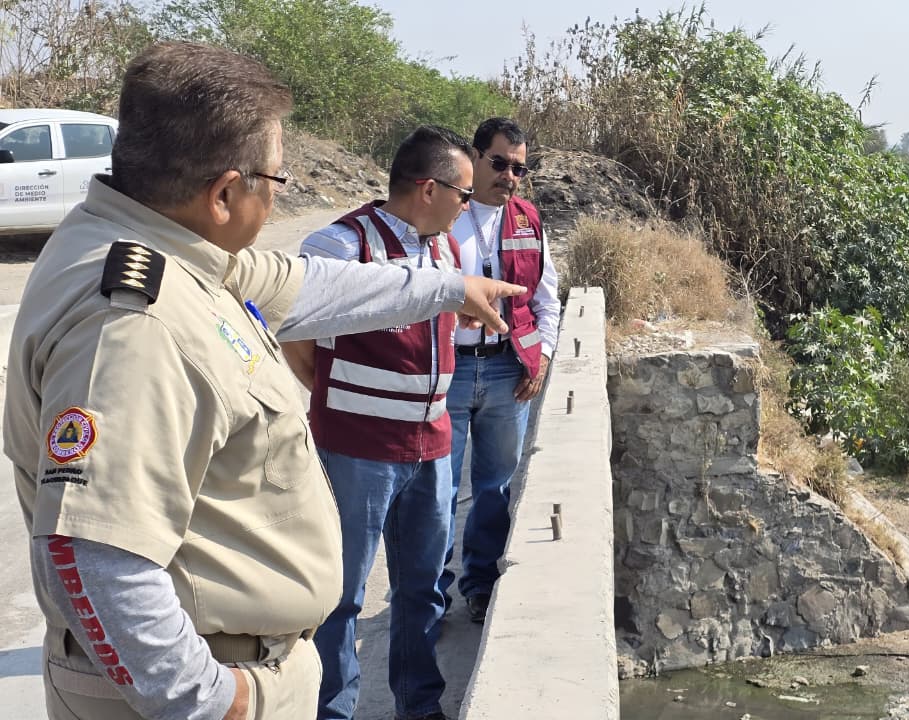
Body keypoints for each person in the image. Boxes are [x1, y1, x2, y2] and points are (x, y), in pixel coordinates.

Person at [2, 42, 522, 720]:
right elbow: (91, 555)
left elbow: (306, 286)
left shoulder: (166, 247)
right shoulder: (135, 324)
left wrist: (451, 287)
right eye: (277, 182)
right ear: (223, 193)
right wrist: (220, 701)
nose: (280, 200)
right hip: (197, 685)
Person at [285, 125, 473, 720]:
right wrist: (337, 394)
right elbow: (295, 331)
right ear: (428, 188)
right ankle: (333, 711)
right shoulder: (340, 245)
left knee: (421, 591)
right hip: (358, 449)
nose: (467, 206)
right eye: (462, 194)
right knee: (340, 596)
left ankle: (420, 707)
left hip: (432, 448)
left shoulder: (444, 247)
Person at [444, 118, 559, 623]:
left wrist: (545, 356)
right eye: (499, 163)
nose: (509, 176)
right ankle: (429, 597)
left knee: (493, 489)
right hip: (445, 372)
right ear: (475, 158)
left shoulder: (529, 221)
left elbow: (546, 300)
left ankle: (481, 587)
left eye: (519, 168)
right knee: (436, 492)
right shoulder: (444, 215)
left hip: (506, 374)